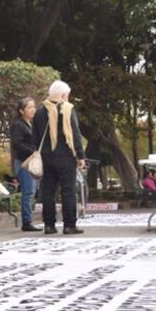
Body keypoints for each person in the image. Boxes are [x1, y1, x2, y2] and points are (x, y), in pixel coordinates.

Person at [31, 80, 87, 235]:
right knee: (68, 190)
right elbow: (75, 134)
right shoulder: (68, 109)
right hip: (66, 156)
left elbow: (34, 137)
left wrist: (41, 152)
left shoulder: (40, 112)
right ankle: (69, 225)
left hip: (46, 157)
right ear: (63, 95)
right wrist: (80, 155)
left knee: (48, 190)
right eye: (67, 95)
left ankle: (49, 225)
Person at [9, 97, 40, 231]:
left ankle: (28, 220)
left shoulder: (31, 124)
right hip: (24, 162)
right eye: (29, 107)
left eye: (34, 106)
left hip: (34, 161)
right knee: (28, 192)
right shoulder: (18, 125)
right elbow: (17, 144)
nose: (33, 109)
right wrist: (33, 152)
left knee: (33, 191)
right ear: (22, 111)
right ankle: (26, 222)